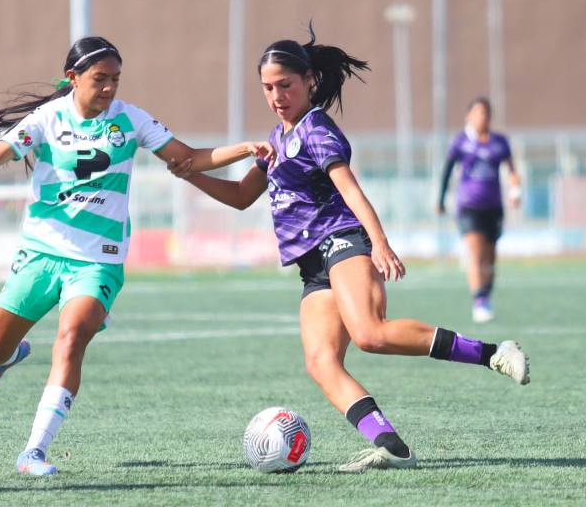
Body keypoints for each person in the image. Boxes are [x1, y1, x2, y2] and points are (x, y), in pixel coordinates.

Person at [167, 26, 530, 473]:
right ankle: (391, 446)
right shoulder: (277, 138)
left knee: (370, 333)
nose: (277, 95)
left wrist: (379, 242)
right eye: (268, 87)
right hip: (312, 264)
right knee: (321, 362)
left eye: (286, 85)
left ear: (308, 82)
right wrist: (190, 175)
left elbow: (350, 190)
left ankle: (492, 351)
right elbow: (243, 196)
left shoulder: (316, 130)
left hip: (341, 240)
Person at [0, 36, 270, 476]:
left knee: (71, 339)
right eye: (99, 79)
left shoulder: (130, 120)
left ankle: (32, 452)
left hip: (98, 260)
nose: (109, 89)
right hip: (41, 251)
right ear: (73, 78)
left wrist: (244, 149)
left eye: (115, 80)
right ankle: (7, 357)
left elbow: (187, 158)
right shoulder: (48, 118)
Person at [438, 97, 521, 322]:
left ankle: (486, 294)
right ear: (469, 116)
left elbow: (512, 168)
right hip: (468, 206)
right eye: (477, 112)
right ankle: (479, 300)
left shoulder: (500, 142)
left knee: (490, 258)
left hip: (493, 207)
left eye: (485, 113)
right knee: (474, 253)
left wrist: (515, 191)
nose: (481, 117)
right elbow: (447, 169)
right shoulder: (461, 142)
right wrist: (441, 198)